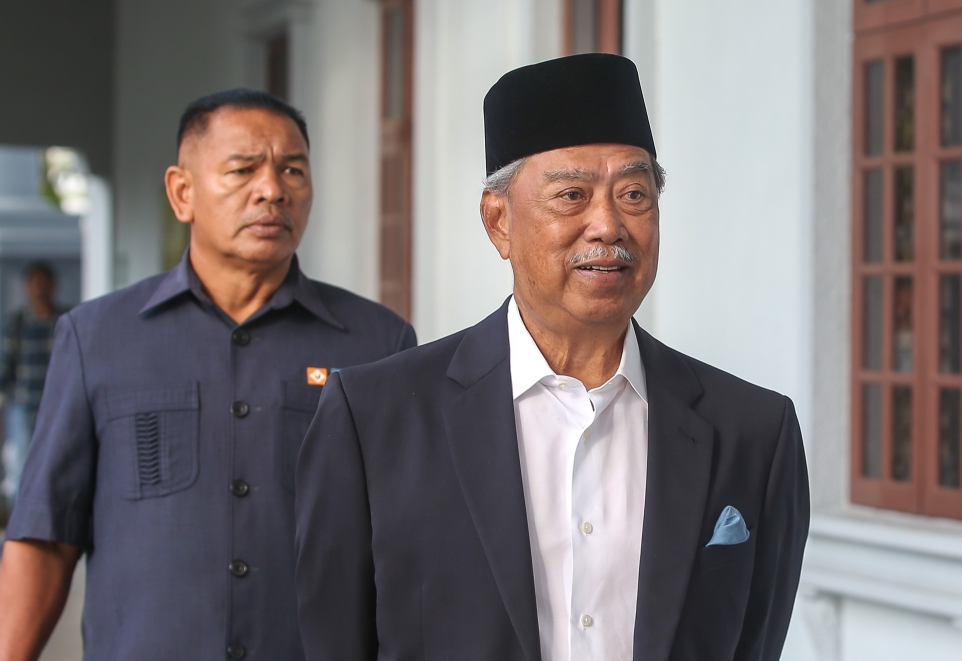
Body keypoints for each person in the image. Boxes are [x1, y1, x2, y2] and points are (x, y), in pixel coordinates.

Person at [295, 54, 810, 661]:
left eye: (634, 194)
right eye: (572, 195)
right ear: (498, 221)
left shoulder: (753, 433)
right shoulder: (375, 419)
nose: (608, 226)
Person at [0, 89, 416, 661]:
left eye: (292, 170)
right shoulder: (97, 339)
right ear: (182, 192)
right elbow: (45, 537)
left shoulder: (379, 344)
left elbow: (411, 547)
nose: (272, 190)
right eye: (243, 170)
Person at [0, 261, 64, 506]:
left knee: (58, 469)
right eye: (34, 284)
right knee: (21, 469)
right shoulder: (17, 324)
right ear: (26, 288)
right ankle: (21, 525)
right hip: (23, 406)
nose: (39, 289)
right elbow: (3, 369)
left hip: (59, 407)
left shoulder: (66, 321)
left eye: (43, 283)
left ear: (53, 286)